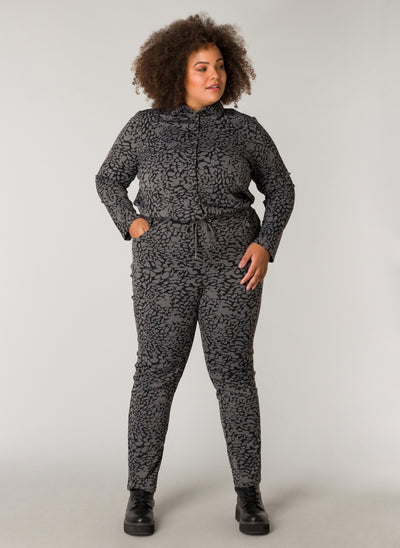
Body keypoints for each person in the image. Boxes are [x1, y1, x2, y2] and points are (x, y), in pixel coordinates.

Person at [95, 12, 295, 537]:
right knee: (155, 375)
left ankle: (248, 494)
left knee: (234, 375)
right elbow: (109, 178)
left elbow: (281, 188)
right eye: (201, 67)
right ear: (174, 72)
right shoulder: (144, 127)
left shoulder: (244, 130)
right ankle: (140, 494)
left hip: (233, 268)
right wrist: (132, 223)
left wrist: (265, 244)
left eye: (220, 66)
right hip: (162, 267)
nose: (215, 76)